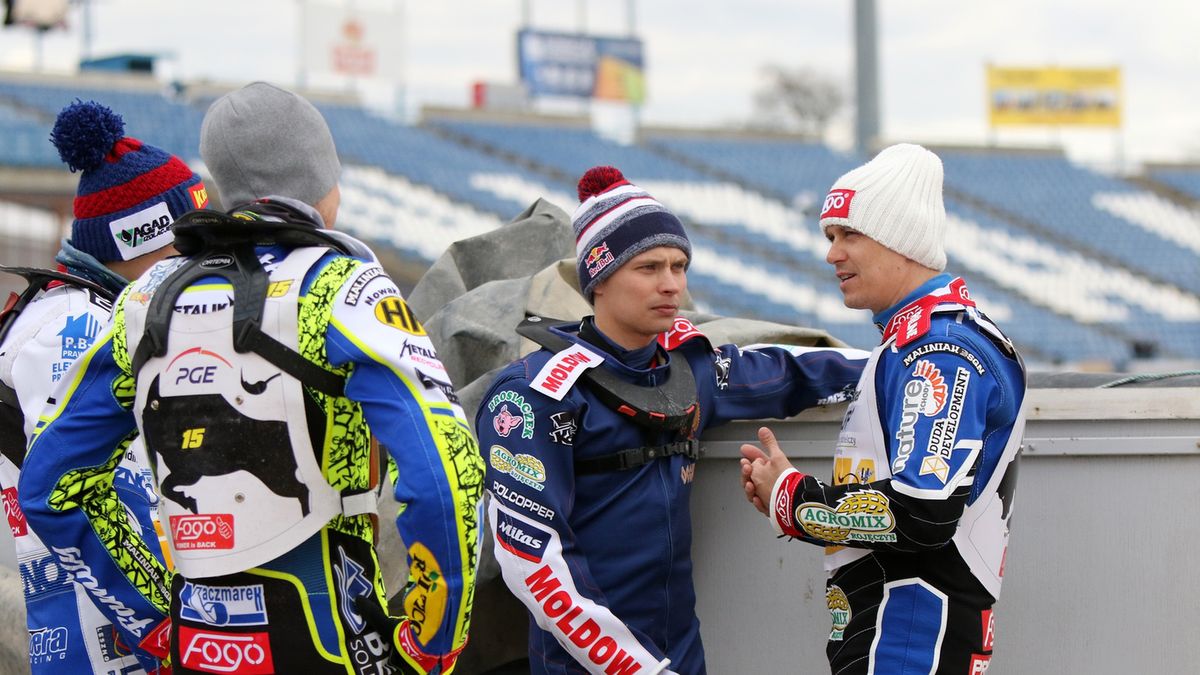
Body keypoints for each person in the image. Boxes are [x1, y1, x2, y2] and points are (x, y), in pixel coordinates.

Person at [19, 82, 483, 674]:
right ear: (323, 179)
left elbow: (50, 485)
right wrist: (434, 641)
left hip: (200, 642)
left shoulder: (143, 301)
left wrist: (156, 620)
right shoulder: (345, 287)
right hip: (331, 637)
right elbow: (446, 473)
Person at [474, 166, 867, 674]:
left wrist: (906, 363)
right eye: (649, 267)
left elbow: (791, 373)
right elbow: (531, 560)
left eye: (679, 266)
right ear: (600, 277)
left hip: (681, 657)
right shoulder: (534, 396)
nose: (671, 285)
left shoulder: (689, 366)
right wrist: (632, 667)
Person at [740, 143, 1027, 675]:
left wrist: (798, 501)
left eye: (850, 235)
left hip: (910, 636)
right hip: (897, 631)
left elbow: (923, 514)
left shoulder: (940, 351)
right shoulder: (911, 341)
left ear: (901, 241)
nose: (832, 254)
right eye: (830, 236)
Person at [0, 99, 206, 675]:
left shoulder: (90, 311)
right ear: (145, 246)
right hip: (106, 640)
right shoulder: (76, 325)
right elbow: (89, 495)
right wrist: (165, 624)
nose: (204, 264)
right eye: (189, 248)